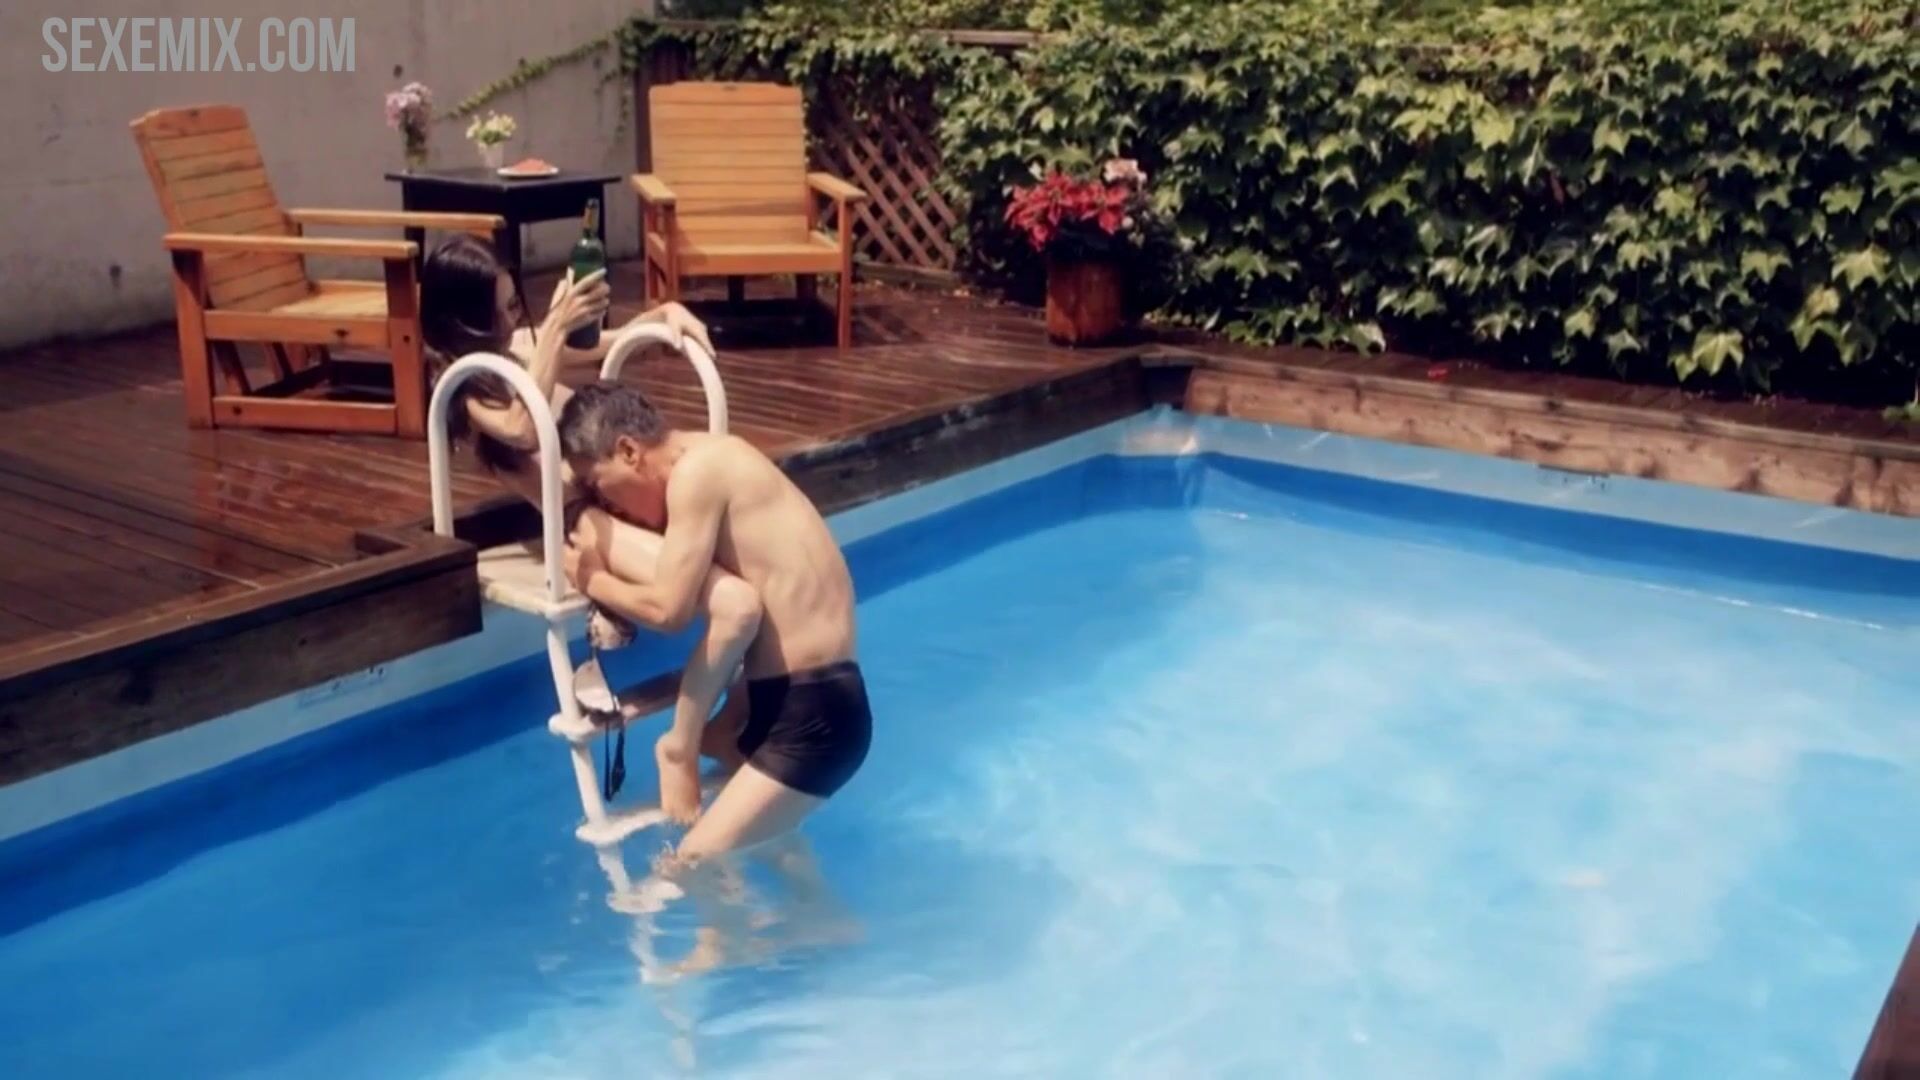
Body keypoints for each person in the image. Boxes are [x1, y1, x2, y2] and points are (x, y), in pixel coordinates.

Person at [418, 235, 759, 788]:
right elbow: (523, 428)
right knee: (736, 605)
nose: (512, 320)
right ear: (464, 321)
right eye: (497, 312)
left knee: (761, 576)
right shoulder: (462, 384)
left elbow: (611, 343)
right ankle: (688, 740)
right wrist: (553, 328)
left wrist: (665, 314)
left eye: (514, 304)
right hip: (586, 522)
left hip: (625, 500)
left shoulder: (518, 350)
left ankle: (727, 728)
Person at [558, 381, 872, 862]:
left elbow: (669, 610)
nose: (610, 506)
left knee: (688, 866)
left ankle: (684, 745)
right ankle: (721, 734)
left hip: (813, 715)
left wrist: (593, 579)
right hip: (807, 698)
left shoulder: (697, 475)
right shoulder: (720, 455)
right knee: (771, 854)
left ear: (629, 451)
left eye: (599, 486)